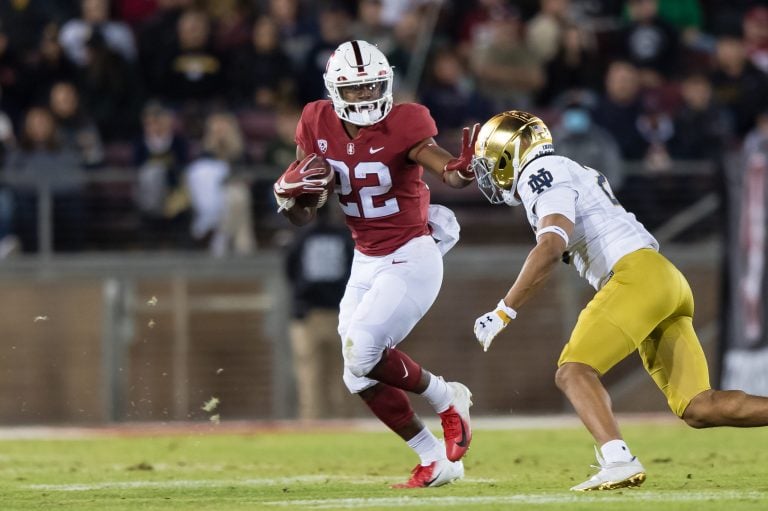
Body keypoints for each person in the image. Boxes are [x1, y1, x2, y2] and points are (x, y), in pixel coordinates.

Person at [469, 110, 768, 492]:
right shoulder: (569, 168)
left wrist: (504, 309)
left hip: (634, 276)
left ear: (511, 155)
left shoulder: (539, 173)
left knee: (573, 371)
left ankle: (618, 459)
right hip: (664, 278)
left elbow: (550, 246)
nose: (489, 174)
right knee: (699, 406)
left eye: (491, 164)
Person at [273, 40, 477, 488]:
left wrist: (460, 171)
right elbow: (303, 213)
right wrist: (288, 195)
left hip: (411, 253)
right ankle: (434, 459)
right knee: (356, 375)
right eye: (357, 90)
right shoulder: (315, 120)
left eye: (373, 88)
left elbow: (444, 167)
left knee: (363, 347)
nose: (366, 98)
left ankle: (447, 398)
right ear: (335, 91)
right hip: (366, 259)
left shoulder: (406, 121)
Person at [285, 201, 355, 420]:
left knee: (309, 377)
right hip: (341, 314)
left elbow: (290, 271)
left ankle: (310, 424)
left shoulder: (300, 238)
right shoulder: (345, 238)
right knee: (344, 377)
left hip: (308, 315)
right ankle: (344, 426)